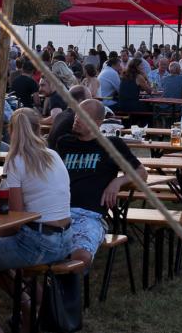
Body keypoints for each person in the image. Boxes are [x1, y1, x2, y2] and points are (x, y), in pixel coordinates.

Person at [0, 109, 73, 273]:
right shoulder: (53, 155)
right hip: (67, 239)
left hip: (40, 242)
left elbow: (16, 218)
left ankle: (24, 297)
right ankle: (31, 294)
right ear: (38, 129)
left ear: (11, 132)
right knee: (0, 249)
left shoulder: (15, 161)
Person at [56, 99, 141, 269]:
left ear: (97, 123)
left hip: (90, 216)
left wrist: (118, 181)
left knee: (80, 258)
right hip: (58, 213)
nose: (76, 119)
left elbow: (141, 173)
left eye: (83, 116)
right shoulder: (64, 143)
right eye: (76, 114)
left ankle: (59, 289)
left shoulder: (112, 145)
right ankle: (49, 290)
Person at [116, 57, 150, 124]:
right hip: (131, 105)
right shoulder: (138, 77)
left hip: (121, 104)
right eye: (141, 66)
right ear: (137, 67)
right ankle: (147, 130)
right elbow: (149, 91)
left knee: (140, 107)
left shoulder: (124, 74)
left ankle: (134, 124)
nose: (143, 67)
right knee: (150, 108)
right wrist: (146, 78)